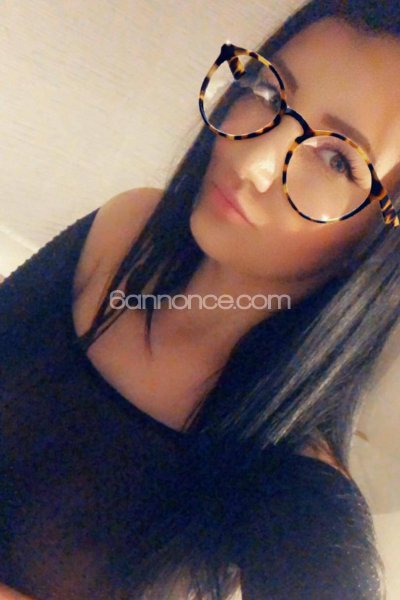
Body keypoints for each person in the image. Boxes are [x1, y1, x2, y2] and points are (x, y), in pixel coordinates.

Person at [1, 0, 399, 597]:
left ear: (379, 239)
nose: (252, 159)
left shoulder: (295, 480)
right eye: (270, 92)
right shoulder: (125, 233)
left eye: (338, 159)